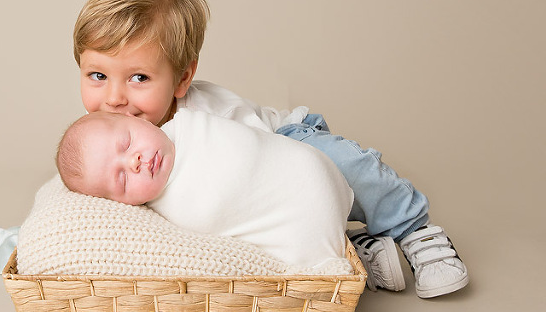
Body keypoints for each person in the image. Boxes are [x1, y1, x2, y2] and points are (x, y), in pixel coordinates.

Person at [71, 0, 469, 298]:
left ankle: (413, 229)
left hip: (283, 145)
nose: (114, 98)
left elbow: (272, 173)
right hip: (251, 199)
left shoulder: (213, 118)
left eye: (139, 78)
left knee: (347, 169)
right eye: (98, 76)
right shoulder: (104, 141)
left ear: (181, 78)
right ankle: (357, 250)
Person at [56, 109, 354, 273]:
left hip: (319, 171)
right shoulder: (167, 219)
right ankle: (355, 249)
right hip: (305, 237)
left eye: (126, 143)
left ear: (135, 119)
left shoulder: (189, 122)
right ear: (123, 204)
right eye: (122, 179)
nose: (134, 161)